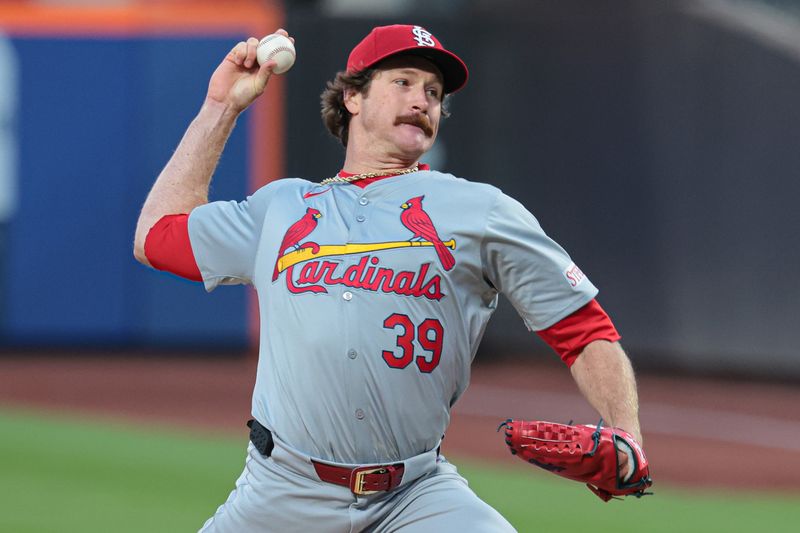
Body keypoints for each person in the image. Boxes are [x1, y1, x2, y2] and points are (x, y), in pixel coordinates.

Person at [134, 24, 643, 532]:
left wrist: (628, 436)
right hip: (280, 493)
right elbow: (155, 236)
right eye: (403, 82)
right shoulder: (282, 208)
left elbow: (583, 329)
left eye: (434, 93)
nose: (422, 100)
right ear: (352, 97)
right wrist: (221, 106)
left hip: (416, 496)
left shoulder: (480, 210)